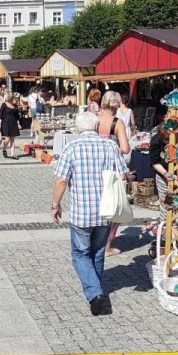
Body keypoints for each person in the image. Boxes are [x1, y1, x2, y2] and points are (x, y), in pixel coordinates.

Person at [50, 111, 127, 316]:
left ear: (77, 128)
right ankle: (97, 289)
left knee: (79, 254)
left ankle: (95, 293)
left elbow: (61, 180)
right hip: (105, 210)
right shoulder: (110, 146)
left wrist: (55, 205)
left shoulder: (71, 147)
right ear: (95, 127)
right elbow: (123, 175)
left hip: (81, 212)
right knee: (98, 251)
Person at [97, 91, 132, 256]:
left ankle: (95, 240)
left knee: (98, 203)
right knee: (114, 204)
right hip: (111, 167)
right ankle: (107, 245)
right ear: (117, 105)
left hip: (95, 166)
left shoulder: (95, 119)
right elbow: (125, 149)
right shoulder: (117, 123)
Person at [0, 91, 22, 159]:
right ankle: (4, 149)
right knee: (7, 139)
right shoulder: (4, 104)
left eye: (17, 100)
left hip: (13, 123)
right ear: (11, 98)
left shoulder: (15, 106)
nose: (16, 101)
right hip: (6, 122)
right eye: (15, 99)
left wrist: (18, 123)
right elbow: (0, 115)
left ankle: (13, 154)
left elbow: (17, 117)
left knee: (12, 139)